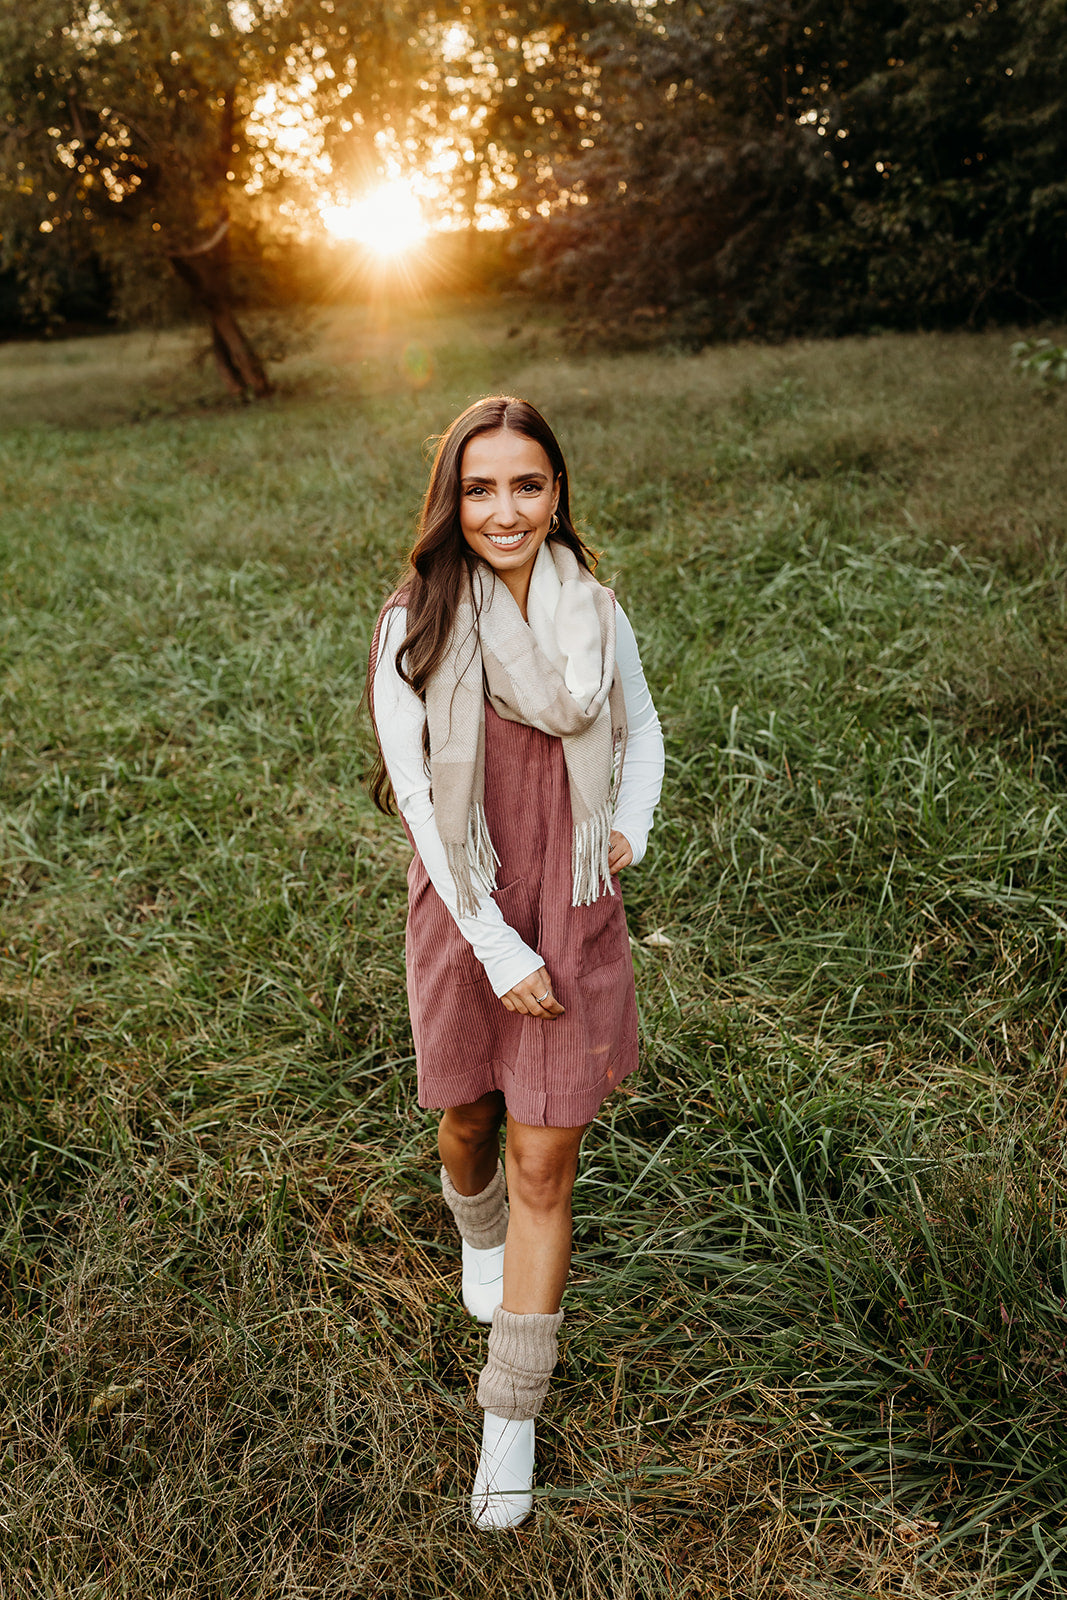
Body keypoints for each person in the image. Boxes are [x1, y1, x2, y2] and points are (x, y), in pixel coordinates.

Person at [366, 395, 663, 1529]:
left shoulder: (595, 609)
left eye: (527, 485)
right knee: (468, 1124)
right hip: (467, 912)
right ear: (452, 498)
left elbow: (638, 727)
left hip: (573, 905)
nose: (504, 509)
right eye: (480, 487)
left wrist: (625, 829)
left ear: (556, 494)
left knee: (549, 1161)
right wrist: (494, 947)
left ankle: (509, 1415)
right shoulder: (414, 622)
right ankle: (472, 1230)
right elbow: (416, 802)